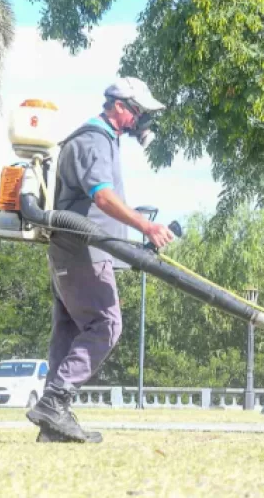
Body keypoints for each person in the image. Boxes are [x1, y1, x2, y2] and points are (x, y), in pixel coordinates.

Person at [26, 77, 175, 443]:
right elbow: (103, 198)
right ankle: (55, 401)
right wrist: (146, 225)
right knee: (107, 326)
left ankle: (52, 426)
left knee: (69, 331)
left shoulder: (97, 139)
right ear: (119, 107)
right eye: (139, 112)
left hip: (70, 251)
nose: (143, 121)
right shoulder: (94, 140)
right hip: (85, 251)